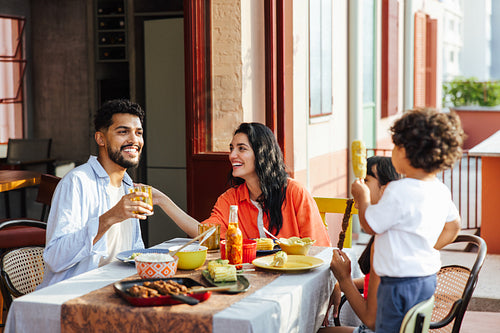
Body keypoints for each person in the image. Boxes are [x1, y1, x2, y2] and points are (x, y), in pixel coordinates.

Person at [350, 108, 464, 332]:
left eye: (395, 146)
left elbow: (369, 225)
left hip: (396, 283)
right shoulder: (441, 190)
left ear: (405, 151)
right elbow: (454, 227)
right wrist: (422, 248)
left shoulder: (397, 190)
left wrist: (362, 198)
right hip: (426, 279)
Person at [153, 122, 331, 246]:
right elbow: (205, 234)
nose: (232, 155)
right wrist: (163, 201)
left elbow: (319, 248)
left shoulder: (294, 192)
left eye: (241, 148)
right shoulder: (230, 199)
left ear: (262, 153)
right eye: (231, 148)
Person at [39, 99, 153, 288]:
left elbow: (134, 252)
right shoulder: (77, 182)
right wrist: (110, 217)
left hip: (117, 289)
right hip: (74, 294)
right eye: (123, 132)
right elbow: (55, 257)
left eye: (138, 132)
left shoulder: (128, 186)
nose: (134, 140)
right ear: (100, 139)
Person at [320, 156, 401, 333]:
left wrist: (344, 279)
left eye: (365, 180)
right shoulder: (391, 230)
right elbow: (376, 281)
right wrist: (340, 285)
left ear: (385, 189)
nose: (357, 185)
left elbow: (371, 320)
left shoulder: (385, 241)